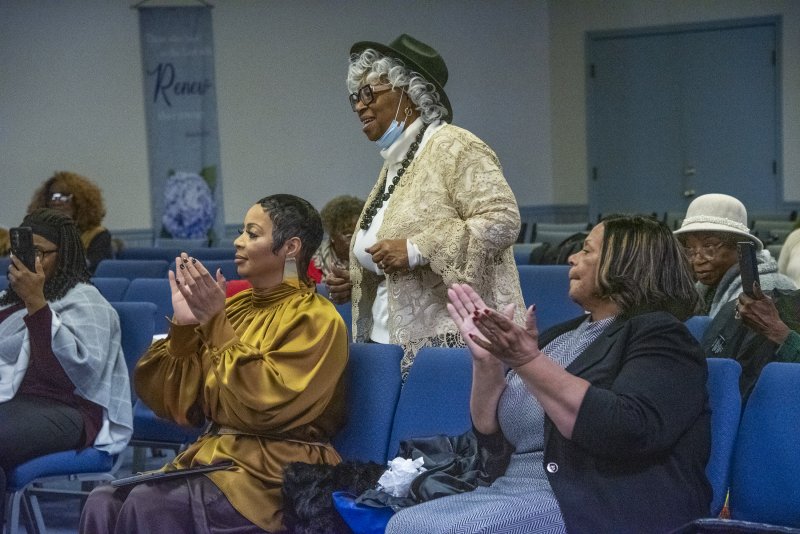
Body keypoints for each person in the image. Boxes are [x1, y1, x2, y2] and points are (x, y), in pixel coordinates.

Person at [386, 215, 711, 534]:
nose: (572, 257)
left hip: (597, 499)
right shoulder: (561, 335)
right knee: (404, 524)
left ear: (625, 263)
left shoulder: (662, 335)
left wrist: (528, 361)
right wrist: (487, 362)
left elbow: (626, 430)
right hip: (514, 488)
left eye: (586, 250)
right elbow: (491, 441)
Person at [79, 194, 349, 533]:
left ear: (290, 247)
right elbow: (176, 406)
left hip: (275, 472)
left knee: (147, 504)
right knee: (102, 500)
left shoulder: (316, 318)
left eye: (252, 234)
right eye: (241, 231)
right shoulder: (236, 308)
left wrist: (215, 324)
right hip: (218, 460)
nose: (238, 241)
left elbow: (266, 406)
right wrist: (184, 326)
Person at [331, 33, 524, 378]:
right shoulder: (396, 160)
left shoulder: (454, 146)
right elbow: (393, 256)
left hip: (445, 348)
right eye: (355, 98)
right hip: (385, 343)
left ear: (408, 93)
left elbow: (502, 219)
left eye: (368, 93)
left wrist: (417, 249)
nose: (359, 106)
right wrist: (362, 277)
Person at [0, 208, 132, 527]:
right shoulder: (8, 301)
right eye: (21, 252)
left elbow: (75, 375)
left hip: (70, 409)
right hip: (15, 401)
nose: (27, 261)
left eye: (39, 253)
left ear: (64, 255)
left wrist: (37, 304)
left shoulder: (88, 301)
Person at [673, 193, 795, 318]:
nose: (697, 260)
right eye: (690, 248)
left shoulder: (766, 289)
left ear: (739, 246)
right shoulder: (703, 289)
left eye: (709, 246)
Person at [28, 171, 114, 273]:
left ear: (79, 202)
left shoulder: (97, 235)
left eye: (64, 197)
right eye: (52, 197)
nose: (57, 202)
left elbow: (91, 268)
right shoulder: (38, 235)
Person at [313, 195, 364, 281]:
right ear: (332, 235)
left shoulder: (373, 263)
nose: (356, 241)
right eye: (348, 235)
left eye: (360, 234)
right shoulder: (312, 266)